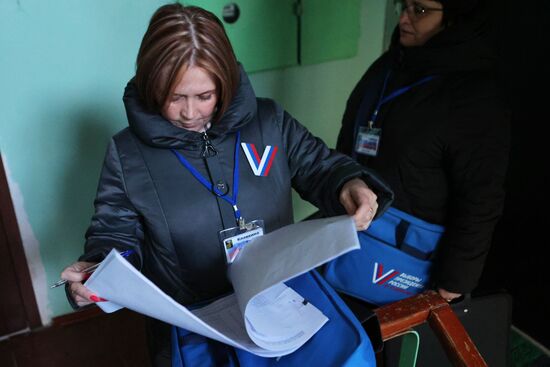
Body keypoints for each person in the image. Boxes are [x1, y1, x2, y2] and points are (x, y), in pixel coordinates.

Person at [59, 3, 393, 366]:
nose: (190, 113)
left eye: (204, 96)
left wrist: (349, 184)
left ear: (225, 83)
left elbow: (320, 167)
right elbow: (115, 233)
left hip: (279, 294)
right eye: (175, 98)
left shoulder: (268, 121)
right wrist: (101, 272)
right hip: (194, 315)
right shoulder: (128, 153)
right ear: (152, 86)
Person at [336, 0, 510, 302]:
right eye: (403, 6)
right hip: (353, 238)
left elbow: (481, 198)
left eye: (420, 10)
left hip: (412, 259)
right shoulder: (388, 66)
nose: (404, 18)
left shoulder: (474, 94)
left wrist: (453, 283)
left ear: (453, 20)